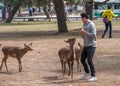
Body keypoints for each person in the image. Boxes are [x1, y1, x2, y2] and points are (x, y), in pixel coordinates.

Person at [80, 12, 97, 82]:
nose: (81, 19)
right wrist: (81, 34)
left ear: (84, 18)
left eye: (81, 18)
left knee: (89, 60)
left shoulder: (92, 25)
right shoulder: (84, 24)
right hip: (86, 45)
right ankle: (87, 72)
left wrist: (85, 32)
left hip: (92, 45)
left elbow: (93, 35)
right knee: (82, 59)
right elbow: (84, 36)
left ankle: (93, 76)